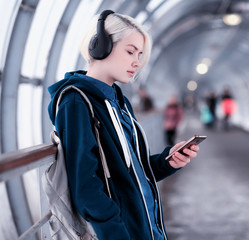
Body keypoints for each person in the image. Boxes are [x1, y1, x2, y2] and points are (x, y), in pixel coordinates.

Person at [47, 10, 199, 240]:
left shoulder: (119, 101)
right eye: (130, 52)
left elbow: (131, 173)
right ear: (100, 46)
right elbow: (85, 185)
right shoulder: (76, 102)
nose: (137, 63)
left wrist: (167, 161)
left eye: (139, 55)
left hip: (149, 227)